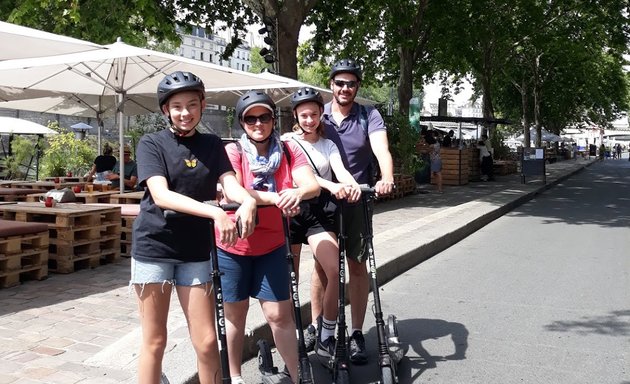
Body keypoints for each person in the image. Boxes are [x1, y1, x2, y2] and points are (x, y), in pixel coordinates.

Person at [130, 71, 257, 384]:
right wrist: (215, 215)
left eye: (191, 104)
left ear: (202, 105)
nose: (184, 112)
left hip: (196, 251)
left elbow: (231, 185)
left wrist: (248, 202)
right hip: (154, 248)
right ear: (165, 110)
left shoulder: (213, 145)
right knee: (155, 340)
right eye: (176, 106)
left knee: (206, 340)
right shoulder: (151, 143)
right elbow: (161, 195)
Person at [217, 90, 320, 384]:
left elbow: (311, 185)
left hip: (274, 244)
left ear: (273, 120)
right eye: (251, 118)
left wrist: (298, 191)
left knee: (279, 315)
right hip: (234, 246)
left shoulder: (289, 150)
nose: (258, 123)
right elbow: (235, 190)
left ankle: (298, 376)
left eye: (264, 117)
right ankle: (235, 378)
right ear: (242, 122)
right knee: (235, 317)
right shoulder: (233, 152)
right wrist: (277, 198)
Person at [307, 58, 395, 365]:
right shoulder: (320, 114)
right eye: (340, 83)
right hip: (322, 199)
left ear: (357, 86)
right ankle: (319, 327)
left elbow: (380, 148)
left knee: (356, 265)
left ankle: (356, 332)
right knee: (322, 266)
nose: (345, 88)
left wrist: (386, 177)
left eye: (351, 83)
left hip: (358, 199)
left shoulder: (367, 115)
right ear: (331, 85)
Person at [285, 87, 361, 360]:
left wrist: (353, 186)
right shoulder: (286, 142)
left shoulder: (328, 144)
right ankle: (292, 332)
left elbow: (341, 171)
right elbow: (299, 178)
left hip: (319, 213)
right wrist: (331, 184)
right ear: (295, 114)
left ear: (320, 115)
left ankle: (326, 333)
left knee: (334, 270)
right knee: (288, 280)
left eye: (314, 114)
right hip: (291, 211)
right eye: (304, 115)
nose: (309, 120)